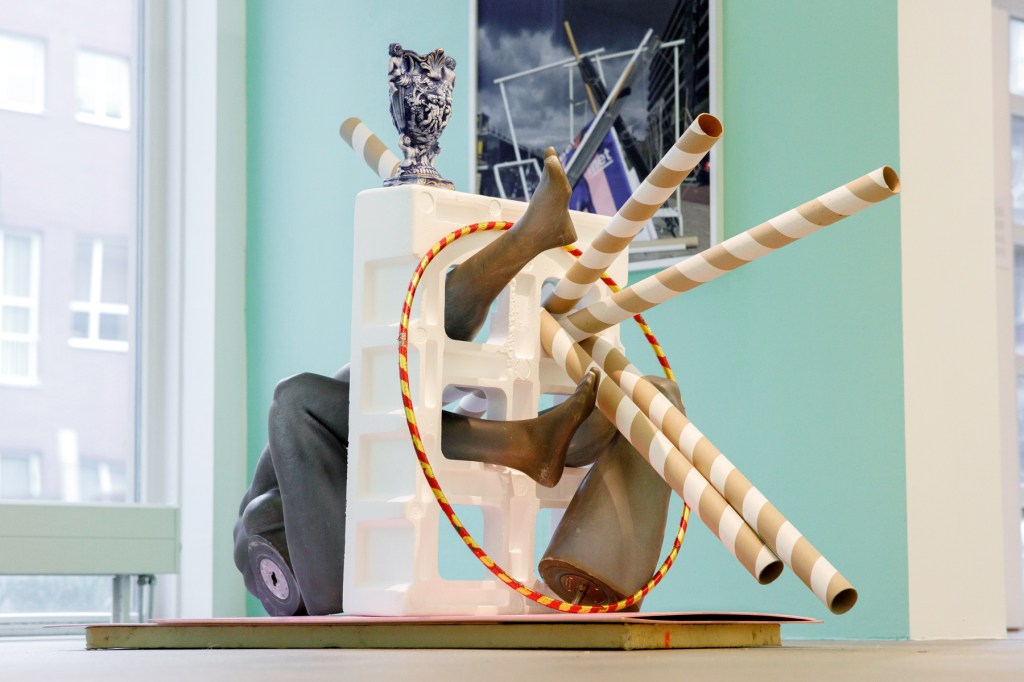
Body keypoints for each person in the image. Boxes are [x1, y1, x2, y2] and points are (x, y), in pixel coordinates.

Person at [233, 149, 621, 616]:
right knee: (297, 402)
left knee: (386, 368)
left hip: (301, 512)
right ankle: (521, 442)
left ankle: (525, 242)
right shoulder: (263, 527)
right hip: (321, 588)